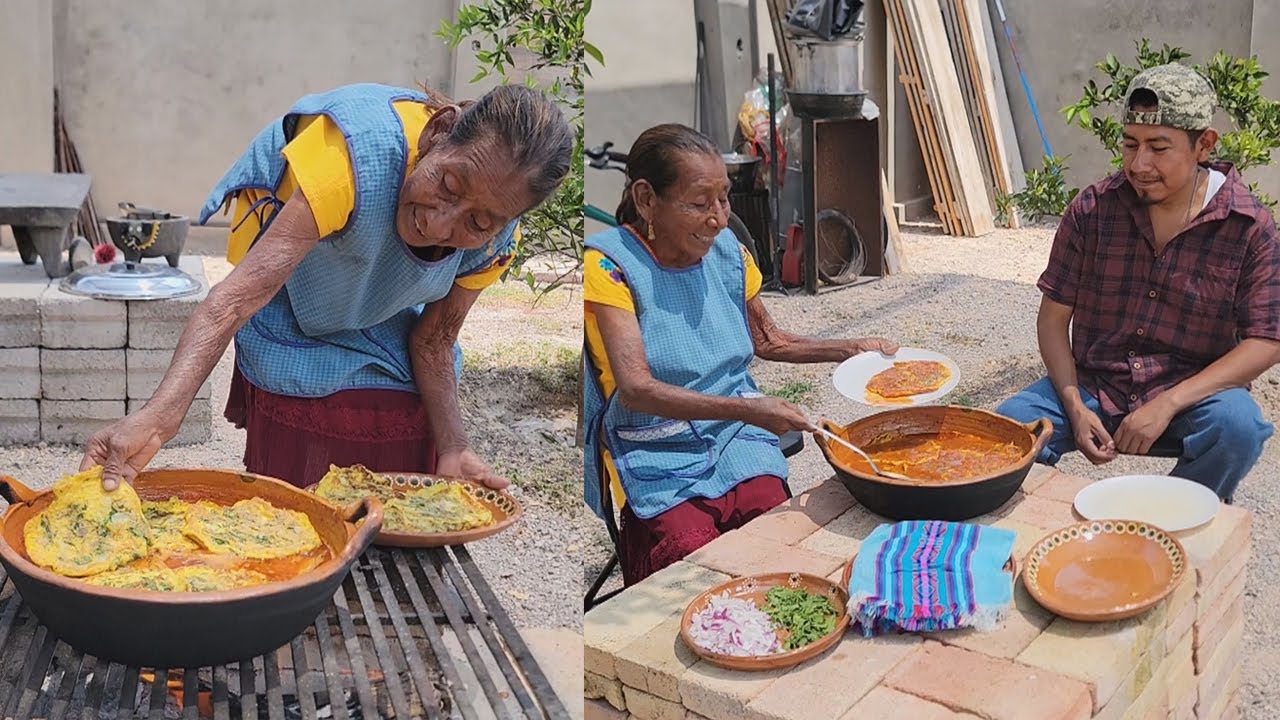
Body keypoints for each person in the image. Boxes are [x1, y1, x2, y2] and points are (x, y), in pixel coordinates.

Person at [79, 82, 573, 491]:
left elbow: (437, 338)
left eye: (480, 221)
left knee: (408, 421)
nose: (441, 226)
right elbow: (237, 300)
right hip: (289, 294)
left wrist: (454, 447)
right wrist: (159, 418)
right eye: (447, 186)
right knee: (299, 463)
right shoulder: (351, 161)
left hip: (374, 309)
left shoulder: (498, 237)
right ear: (439, 132)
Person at [582, 123, 898, 585]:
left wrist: (852, 349)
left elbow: (769, 339)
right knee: (693, 564)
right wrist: (750, 410)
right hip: (651, 443)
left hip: (732, 434)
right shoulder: (609, 266)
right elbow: (637, 389)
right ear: (648, 199)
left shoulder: (726, 251)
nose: (718, 219)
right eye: (698, 204)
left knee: (770, 533)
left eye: (724, 200)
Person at [996, 63, 1280, 502]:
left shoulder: (1249, 226)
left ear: (1204, 144)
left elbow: (1266, 340)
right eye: (1130, 145)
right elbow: (1053, 320)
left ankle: (1175, 518)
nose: (1139, 164)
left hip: (1192, 391)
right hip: (1095, 382)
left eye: (1158, 147)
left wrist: (1167, 403)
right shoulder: (1093, 209)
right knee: (1006, 434)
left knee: (1238, 427)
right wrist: (1073, 405)